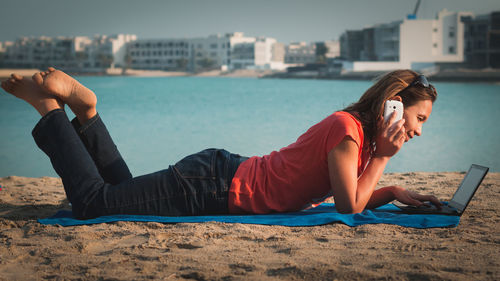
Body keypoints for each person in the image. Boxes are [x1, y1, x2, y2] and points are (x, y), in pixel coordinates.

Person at [0, 68, 441, 219]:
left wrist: (395, 192)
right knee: (95, 204)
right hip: (214, 185)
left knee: (121, 197)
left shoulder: (357, 137)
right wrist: (384, 157)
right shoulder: (349, 133)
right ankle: (50, 109)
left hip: (219, 176)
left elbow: (353, 198)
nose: (419, 130)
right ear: (394, 106)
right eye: (418, 118)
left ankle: (88, 114)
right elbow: (348, 210)